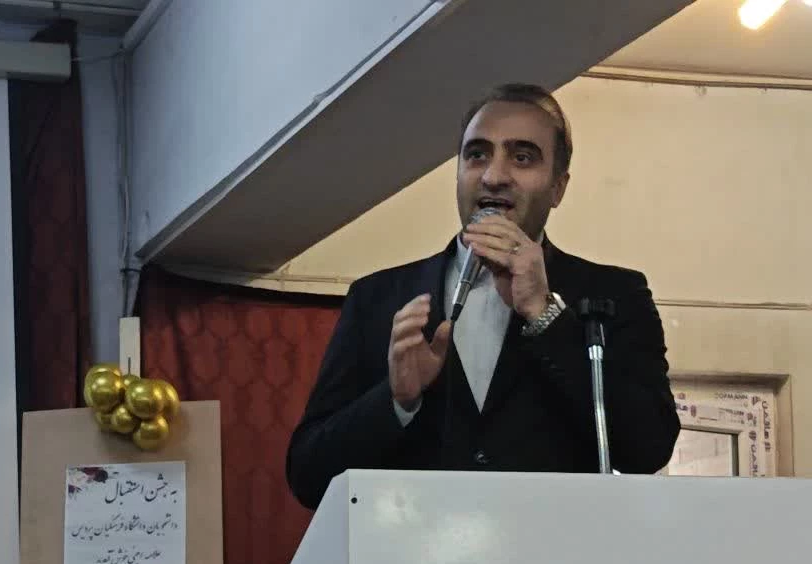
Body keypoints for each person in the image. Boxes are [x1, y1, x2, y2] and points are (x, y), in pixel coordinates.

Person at [285, 82, 681, 510]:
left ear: (558, 187)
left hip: (554, 547)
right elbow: (308, 474)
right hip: (414, 548)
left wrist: (545, 316)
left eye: (523, 157)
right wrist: (396, 401)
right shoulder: (377, 298)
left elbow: (648, 448)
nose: (494, 176)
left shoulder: (614, 293)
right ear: (457, 174)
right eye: (477, 155)